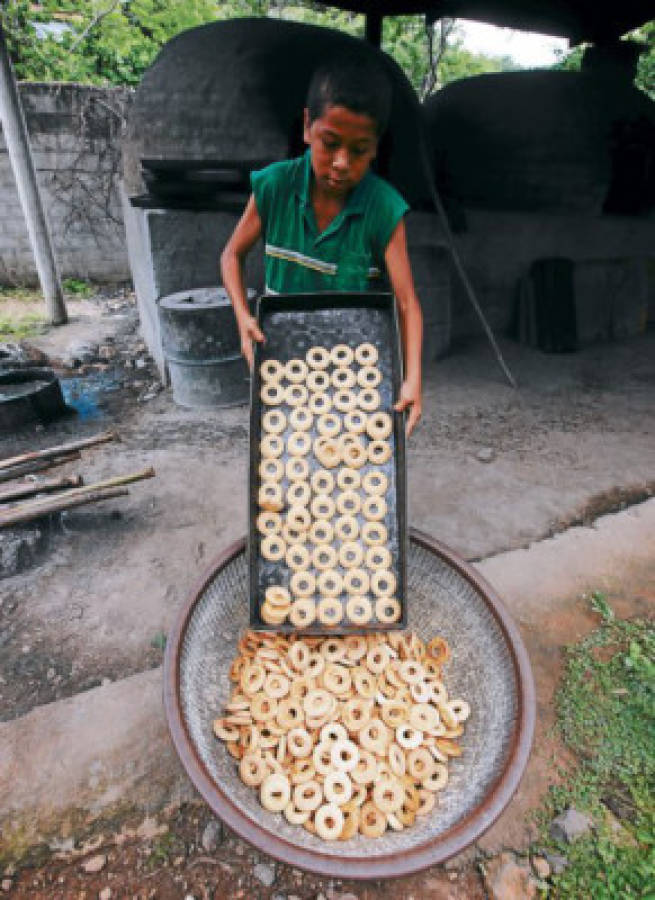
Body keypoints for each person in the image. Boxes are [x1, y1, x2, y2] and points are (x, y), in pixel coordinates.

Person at [221, 54, 423, 436]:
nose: (342, 163)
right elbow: (231, 255)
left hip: (355, 369)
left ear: (376, 147)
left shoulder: (383, 209)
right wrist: (243, 316)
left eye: (359, 149)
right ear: (307, 127)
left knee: (354, 464)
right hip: (283, 359)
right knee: (287, 456)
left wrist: (413, 377)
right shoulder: (275, 187)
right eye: (330, 144)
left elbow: (408, 304)